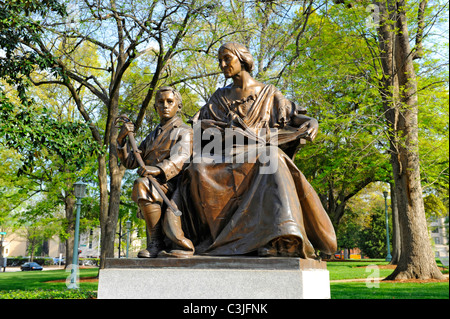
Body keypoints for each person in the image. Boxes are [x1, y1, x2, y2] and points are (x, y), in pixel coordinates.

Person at [174, 42, 337, 258]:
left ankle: (282, 236)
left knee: (273, 158)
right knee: (197, 168)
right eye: (220, 61)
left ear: (242, 59)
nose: (222, 65)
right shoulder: (218, 97)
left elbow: (292, 116)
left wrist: (312, 121)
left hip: (259, 150)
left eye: (227, 59)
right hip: (224, 153)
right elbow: (198, 124)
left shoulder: (268, 93)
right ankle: (218, 240)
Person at [117, 86, 195, 258]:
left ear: (178, 106)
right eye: (161, 102)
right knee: (142, 184)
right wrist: (121, 141)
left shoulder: (184, 131)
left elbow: (181, 157)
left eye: (169, 101)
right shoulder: (152, 135)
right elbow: (131, 161)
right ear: (155, 107)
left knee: (141, 184)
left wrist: (157, 169)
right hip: (153, 184)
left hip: (174, 184)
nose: (165, 105)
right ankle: (155, 242)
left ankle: (156, 242)